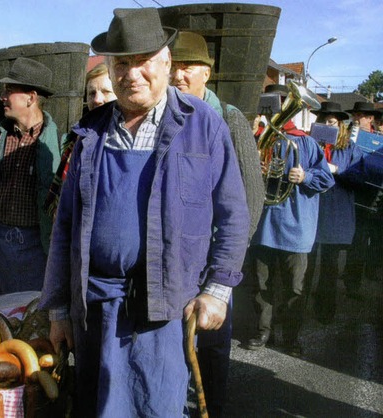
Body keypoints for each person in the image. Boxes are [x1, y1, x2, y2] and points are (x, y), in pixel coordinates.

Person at [39, 8, 250, 417]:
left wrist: (218, 290)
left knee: (158, 407)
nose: (132, 73)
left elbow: (234, 214)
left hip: (165, 311)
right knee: (95, 406)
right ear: (110, 69)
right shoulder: (90, 133)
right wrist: (59, 309)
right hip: (95, 311)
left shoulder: (204, 126)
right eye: (122, 63)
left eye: (143, 61)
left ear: (166, 63)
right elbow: (64, 226)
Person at [169, 30, 264, 417]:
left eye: (188, 67)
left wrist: (225, 268)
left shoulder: (228, 118)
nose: (179, 75)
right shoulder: (166, 116)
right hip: (175, 262)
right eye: (174, 66)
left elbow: (252, 199)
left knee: (210, 356)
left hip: (213, 264)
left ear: (207, 73)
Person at [248, 83, 335, 357]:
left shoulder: (306, 142)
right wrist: (257, 170)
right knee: (260, 284)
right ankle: (262, 332)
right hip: (264, 226)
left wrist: (305, 176)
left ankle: (290, 337)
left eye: (283, 103)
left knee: (294, 289)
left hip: (297, 229)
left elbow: (326, 178)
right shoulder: (260, 140)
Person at [0, 57, 61, 297]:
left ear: (31, 97)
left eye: (9, 90)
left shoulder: (58, 144)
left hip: (39, 248)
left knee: (34, 320)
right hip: (0, 248)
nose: (3, 96)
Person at [304, 101, 365, 323]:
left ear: (340, 125)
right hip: (311, 210)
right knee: (306, 265)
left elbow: (360, 179)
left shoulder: (350, 149)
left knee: (329, 266)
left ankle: (325, 311)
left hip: (335, 212)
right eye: (322, 121)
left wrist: (337, 170)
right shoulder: (310, 144)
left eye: (331, 122)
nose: (327, 126)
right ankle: (298, 311)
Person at [45, 63, 116, 218]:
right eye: (92, 93)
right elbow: (64, 190)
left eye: (106, 92)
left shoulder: (128, 139)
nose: (97, 99)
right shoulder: (78, 137)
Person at [343, 101, 383, 294]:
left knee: (363, 242)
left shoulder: (379, 140)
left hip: (371, 197)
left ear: (370, 119)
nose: (356, 119)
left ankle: (354, 283)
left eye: (361, 116)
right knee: (351, 241)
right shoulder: (347, 136)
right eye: (355, 115)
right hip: (347, 193)